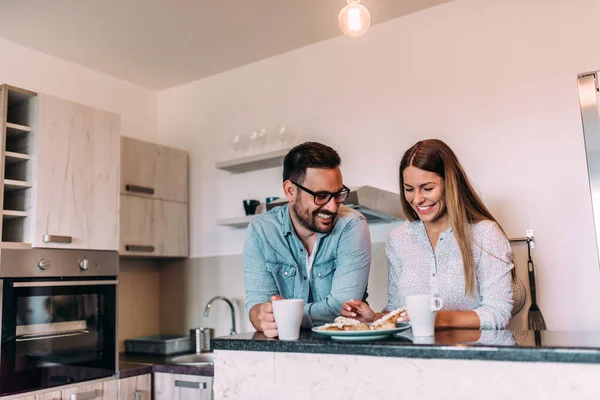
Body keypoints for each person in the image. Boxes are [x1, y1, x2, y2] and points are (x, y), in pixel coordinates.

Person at [341, 139, 514, 330]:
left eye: (428, 188)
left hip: (470, 356)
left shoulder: (485, 234)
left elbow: (498, 313)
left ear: (451, 183)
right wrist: (375, 317)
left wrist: (437, 319)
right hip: (414, 357)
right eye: (409, 189)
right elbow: (398, 310)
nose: (417, 199)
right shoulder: (398, 240)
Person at [244, 142, 371, 337]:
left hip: (343, 351)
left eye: (337, 195)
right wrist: (261, 316)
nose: (332, 207)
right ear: (290, 191)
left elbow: (341, 308)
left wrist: (285, 314)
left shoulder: (351, 226)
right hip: (283, 356)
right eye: (321, 196)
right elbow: (257, 307)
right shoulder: (261, 231)